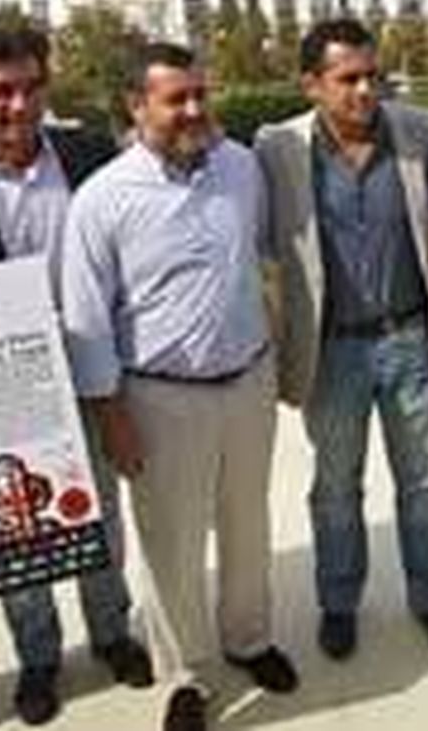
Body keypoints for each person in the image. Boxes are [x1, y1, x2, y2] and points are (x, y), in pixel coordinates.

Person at [0, 22, 153, 725]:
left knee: (101, 516)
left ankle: (111, 633)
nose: (19, 104)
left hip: (90, 369)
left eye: (31, 87)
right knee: (16, 528)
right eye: (0, 91)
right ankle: (39, 658)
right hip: (1, 389)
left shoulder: (88, 154)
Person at [59, 43, 297, 731]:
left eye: (200, 94)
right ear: (137, 106)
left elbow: (259, 257)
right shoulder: (102, 199)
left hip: (248, 381)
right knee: (173, 542)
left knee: (248, 522)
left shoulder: (241, 167)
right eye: (176, 99)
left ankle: (249, 639)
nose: (195, 109)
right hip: (159, 399)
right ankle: (186, 674)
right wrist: (113, 418)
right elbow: (86, 322)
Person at [255, 18, 428, 662]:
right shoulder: (278, 149)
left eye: (372, 75)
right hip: (332, 351)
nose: (365, 90)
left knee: (423, 481)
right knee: (335, 488)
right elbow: (264, 240)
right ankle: (339, 604)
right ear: (312, 84)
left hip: (407, 338)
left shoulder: (423, 131)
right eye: (347, 79)